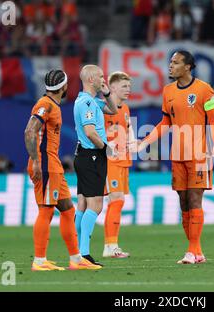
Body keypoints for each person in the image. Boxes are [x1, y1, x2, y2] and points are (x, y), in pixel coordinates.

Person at [137, 50, 214, 264]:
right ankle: (197, 251)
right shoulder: (167, 91)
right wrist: (146, 141)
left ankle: (191, 251)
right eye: (170, 62)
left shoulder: (204, 90)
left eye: (175, 63)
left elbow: (213, 120)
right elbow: (166, 122)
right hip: (178, 155)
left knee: (195, 199)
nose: (170, 66)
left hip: (199, 153)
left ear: (188, 67)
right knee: (183, 202)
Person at [24, 69, 101, 271]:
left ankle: (76, 259)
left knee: (68, 210)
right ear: (64, 86)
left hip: (54, 165)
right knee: (46, 210)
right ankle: (39, 261)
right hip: (45, 165)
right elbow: (30, 131)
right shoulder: (45, 105)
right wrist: (36, 161)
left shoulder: (52, 105)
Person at [73, 65, 118, 267]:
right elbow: (91, 132)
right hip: (92, 155)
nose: (103, 79)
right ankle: (83, 254)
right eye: (101, 77)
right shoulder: (88, 103)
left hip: (84, 155)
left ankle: (77, 253)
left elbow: (114, 109)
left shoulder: (88, 100)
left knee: (82, 204)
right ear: (91, 79)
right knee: (96, 205)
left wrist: (107, 92)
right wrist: (106, 148)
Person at [102, 71, 135, 258]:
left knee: (117, 202)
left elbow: (128, 128)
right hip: (109, 160)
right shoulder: (104, 108)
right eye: (124, 86)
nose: (128, 90)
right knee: (116, 200)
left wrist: (133, 142)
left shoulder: (126, 108)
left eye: (129, 86)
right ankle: (110, 247)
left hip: (123, 160)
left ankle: (111, 245)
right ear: (112, 87)